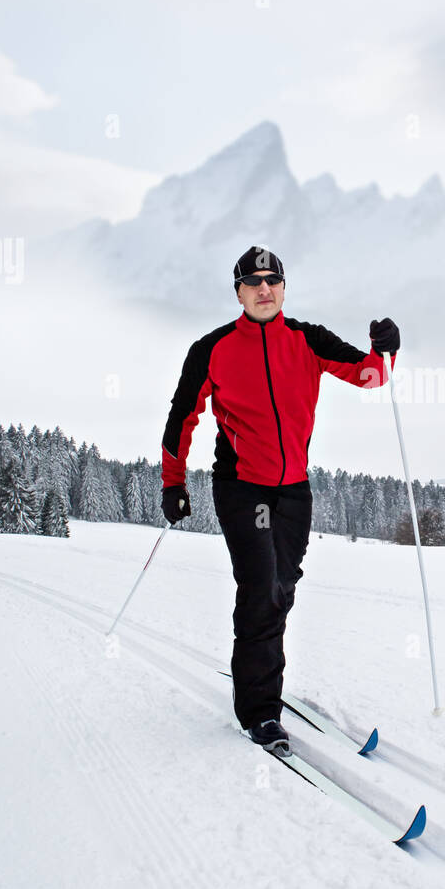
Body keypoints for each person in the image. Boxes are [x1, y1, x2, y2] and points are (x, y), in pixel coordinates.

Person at [160, 245, 400, 755]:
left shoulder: (308, 340)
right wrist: (172, 483)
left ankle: (257, 669)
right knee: (262, 588)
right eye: (253, 282)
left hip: (293, 489)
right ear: (239, 292)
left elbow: (369, 376)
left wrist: (386, 350)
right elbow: (182, 417)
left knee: (283, 585)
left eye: (272, 281)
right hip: (242, 486)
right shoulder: (212, 348)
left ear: (283, 288)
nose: (263, 289)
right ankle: (260, 709)